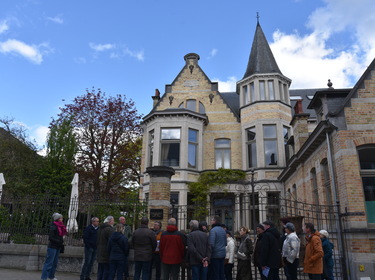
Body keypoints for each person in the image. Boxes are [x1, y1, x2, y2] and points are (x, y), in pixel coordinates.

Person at [41, 213, 67, 280]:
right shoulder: (54, 226)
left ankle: (51, 276)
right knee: (49, 263)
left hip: (58, 246)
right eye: (61, 218)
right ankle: (44, 278)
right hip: (52, 246)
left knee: (54, 263)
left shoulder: (61, 226)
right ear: (58, 219)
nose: (62, 219)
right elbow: (51, 237)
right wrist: (58, 241)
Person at [208, 215, 227, 280]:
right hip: (222, 254)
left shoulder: (213, 230)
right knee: (221, 272)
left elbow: (211, 244)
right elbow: (225, 243)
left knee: (215, 273)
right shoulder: (223, 230)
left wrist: (209, 255)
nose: (210, 221)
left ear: (215, 221)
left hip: (215, 255)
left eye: (212, 220)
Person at [97, 216, 115, 280]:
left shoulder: (100, 228)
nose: (114, 222)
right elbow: (112, 241)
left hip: (99, 251)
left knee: (100, 268)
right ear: (109, 221)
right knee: (106, 269)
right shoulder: (109, 229)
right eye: (113, 220)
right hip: (106, 252)